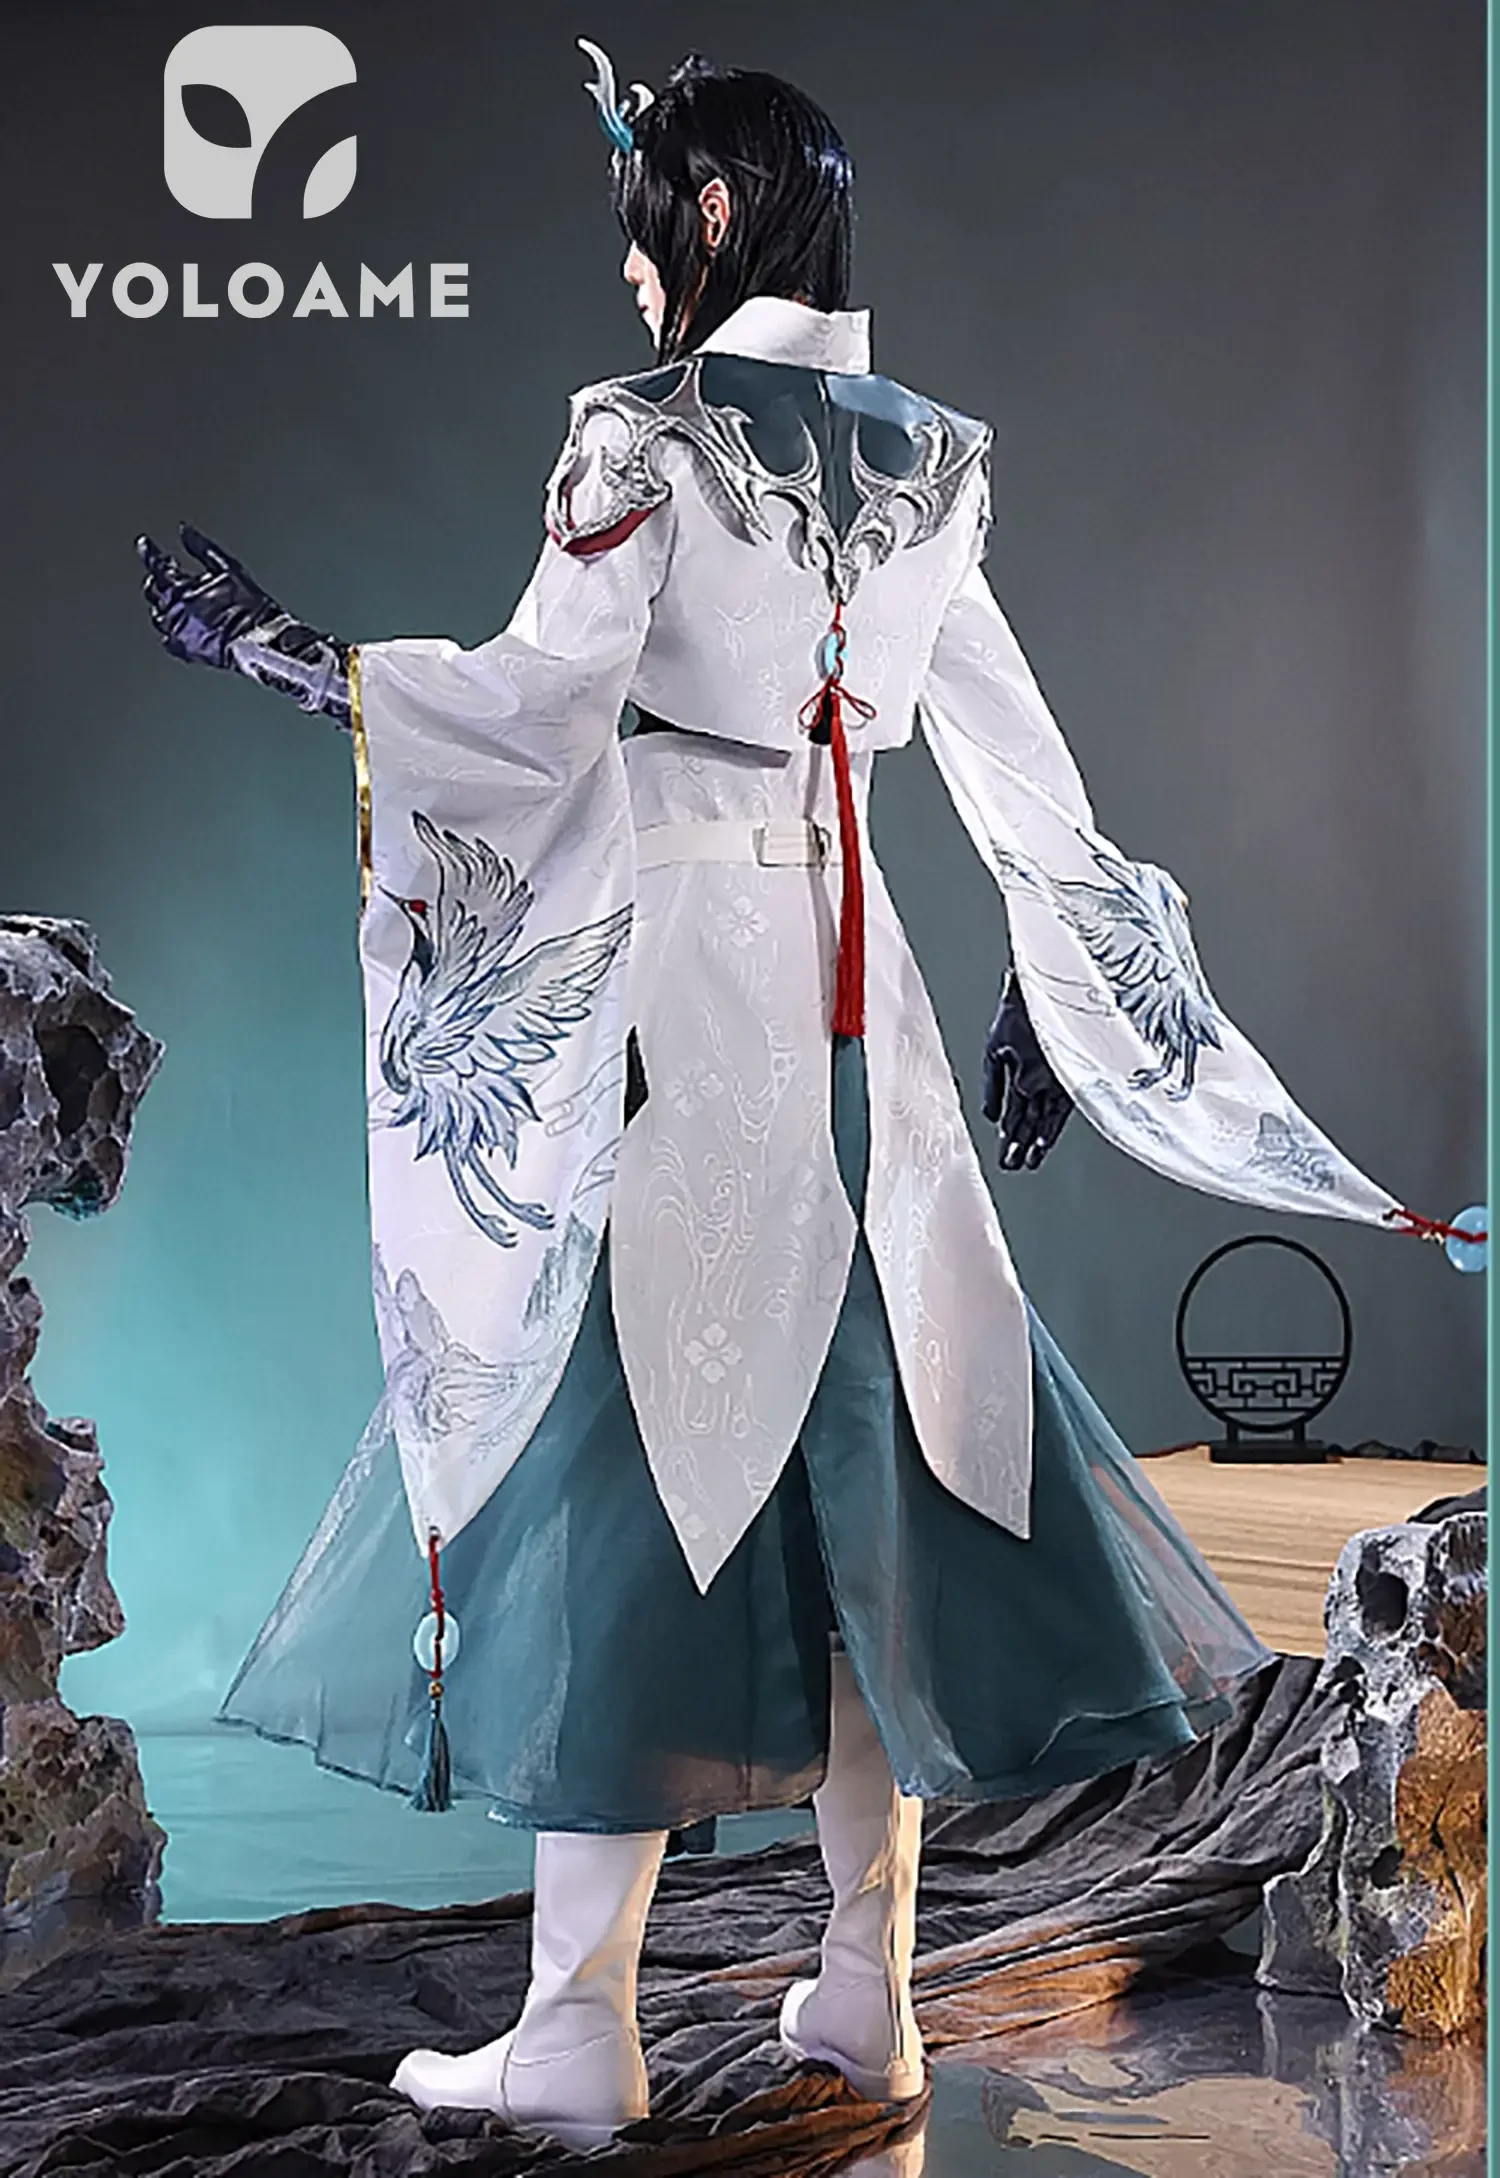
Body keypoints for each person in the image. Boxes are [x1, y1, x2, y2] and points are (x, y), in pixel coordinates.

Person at [136, 44, 1447, 2154]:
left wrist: (298, 659)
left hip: (681, 1003)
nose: (627, 268)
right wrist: (1049, 977)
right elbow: (1015, 751)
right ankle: (867, 1993)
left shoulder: (641, 432)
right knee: (871, 1493)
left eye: (643, 224)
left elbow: (536, 708)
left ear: (715, 216)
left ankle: (578, 2028)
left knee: (617, 1483)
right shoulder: (934, 459)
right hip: (860, 1023)